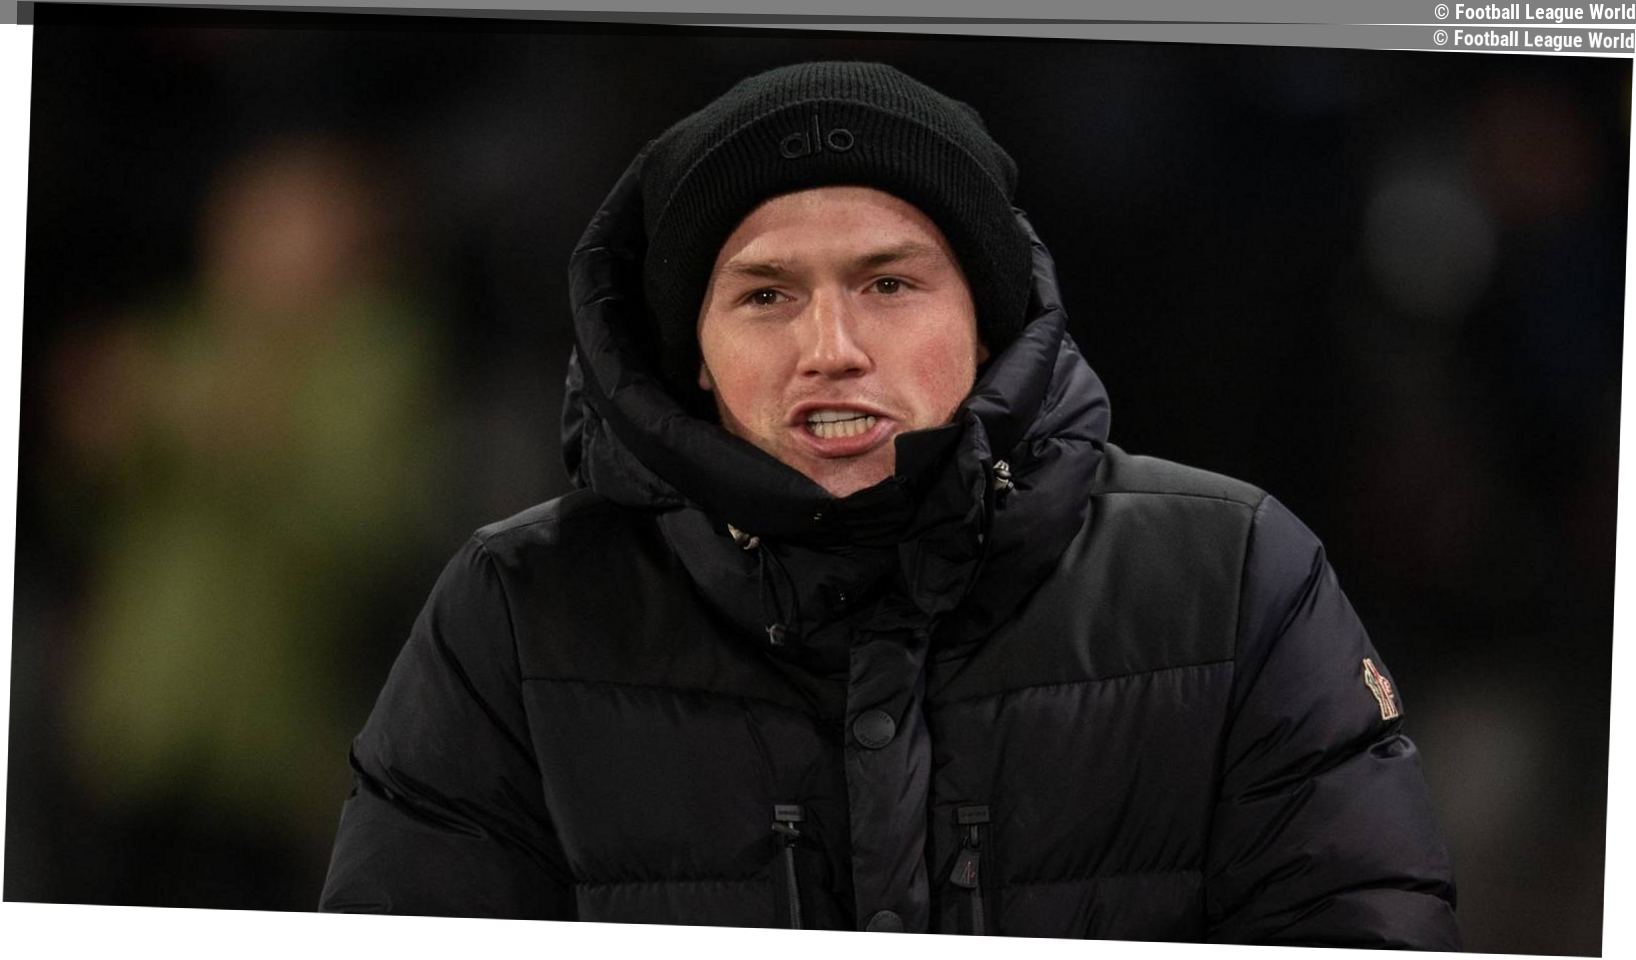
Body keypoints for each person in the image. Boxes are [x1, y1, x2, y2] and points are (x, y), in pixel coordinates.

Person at [320, 61, 1461, 944]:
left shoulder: (1238, 578)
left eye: (890, 282)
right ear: (693, 355)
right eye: (766, 295)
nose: (832, 348)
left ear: (987, 319)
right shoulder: (516, 613)